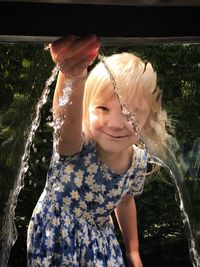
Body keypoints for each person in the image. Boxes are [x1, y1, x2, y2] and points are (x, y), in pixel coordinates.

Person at [27, 34, 169, 267]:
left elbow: (125, 200)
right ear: (85, 111)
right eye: (103, 108)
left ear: (148, 119)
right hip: (60, 238)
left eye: (131, 111)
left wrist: (133, 248)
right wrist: (72, 77)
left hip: (100, 240)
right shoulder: (76, 147)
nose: (115, 123)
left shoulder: (137, 161)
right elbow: (66, 120)